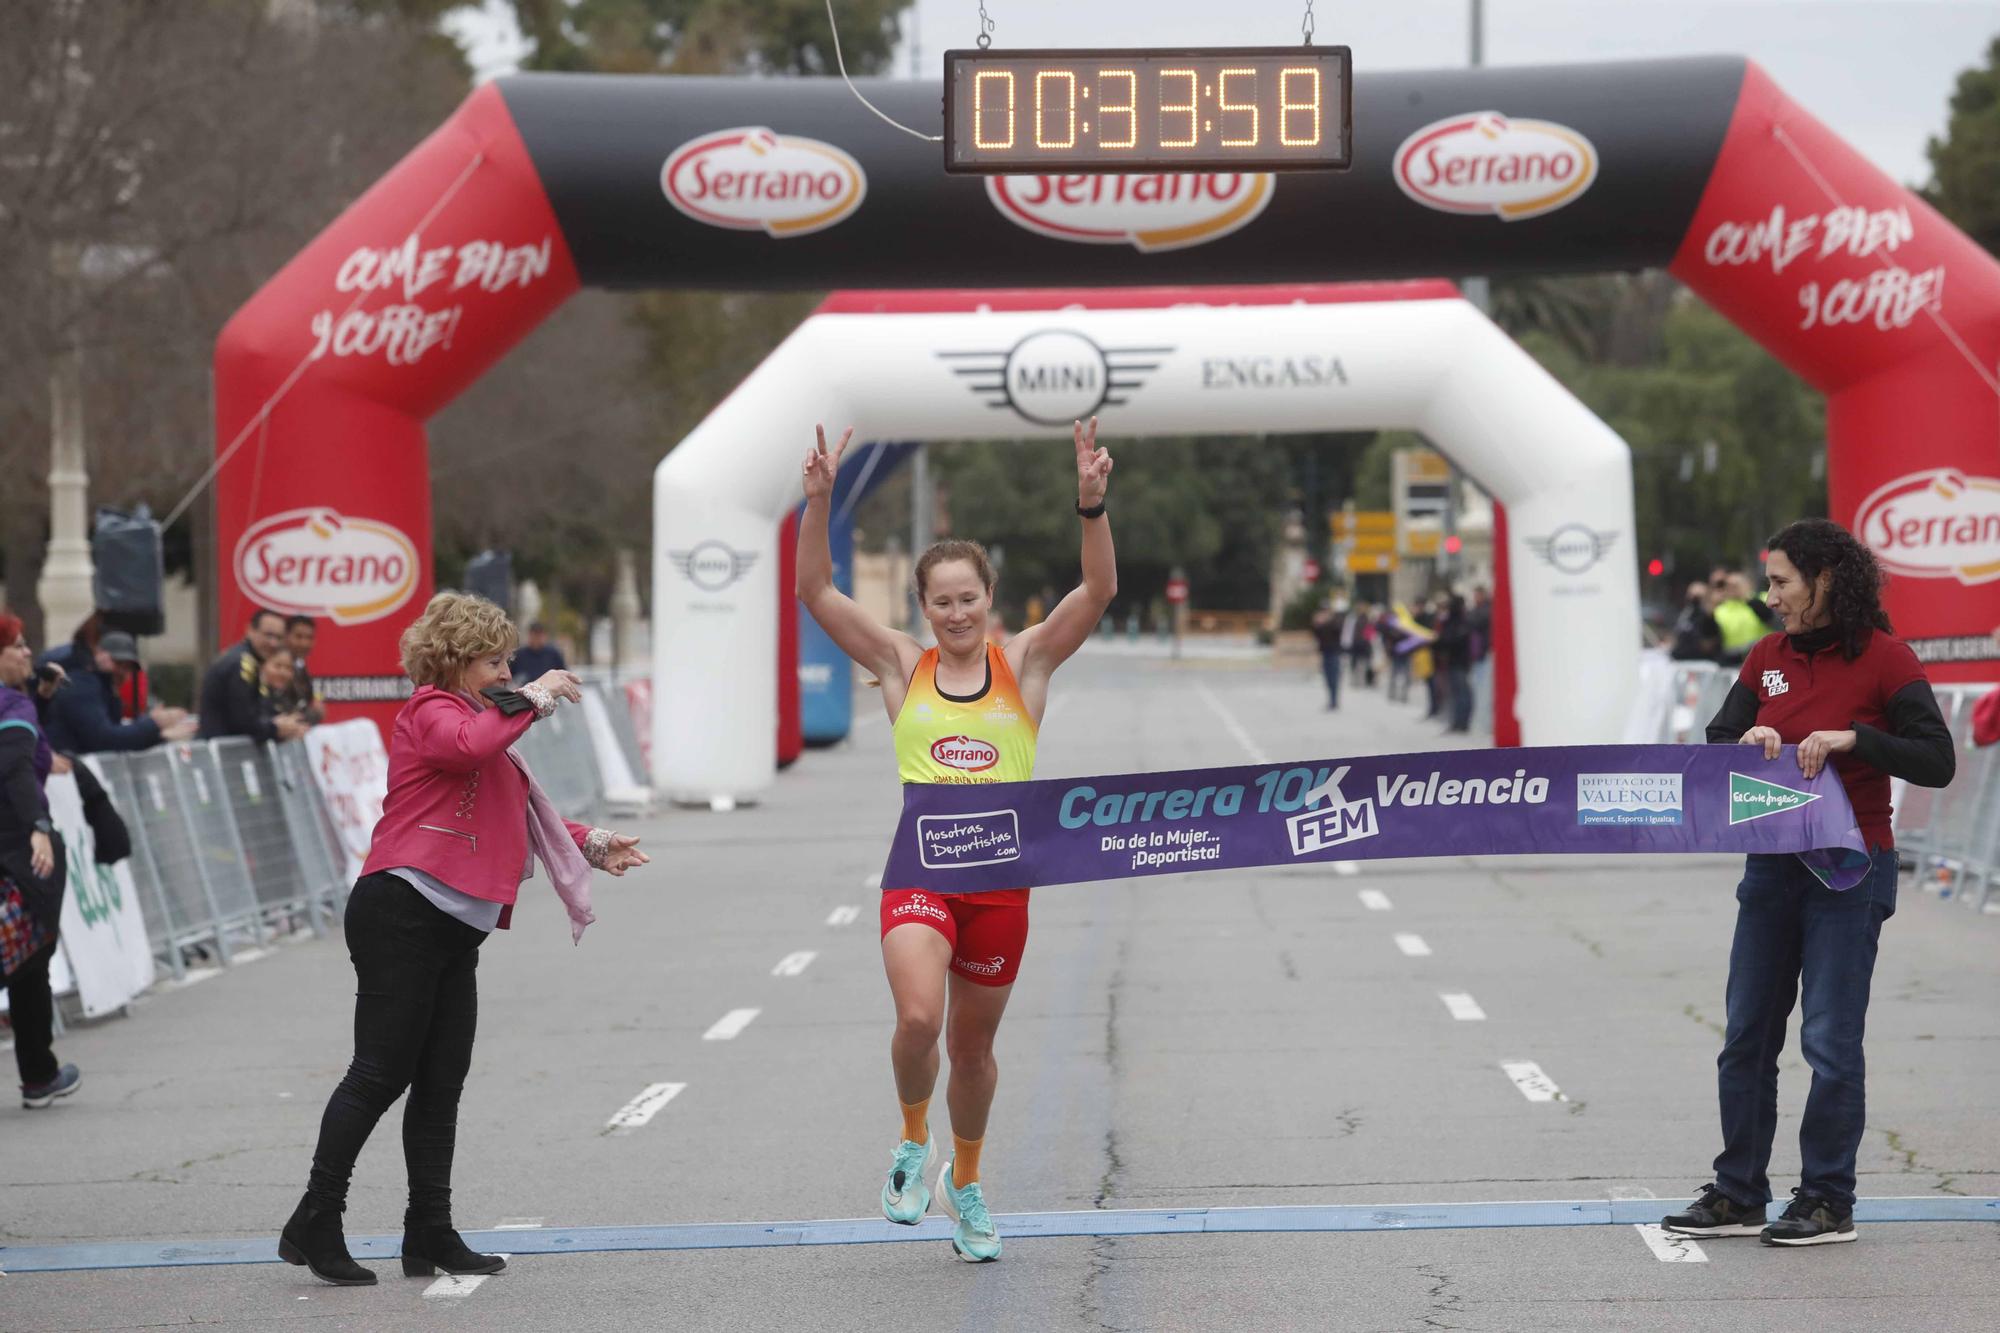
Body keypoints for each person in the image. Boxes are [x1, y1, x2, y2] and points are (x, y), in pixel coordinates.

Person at [797, 418, 1116, 1264]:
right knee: (917, 1018)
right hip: (921, 875)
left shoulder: (1028, 663)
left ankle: (965, 1183)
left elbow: (1098, 593)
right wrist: (819, 503)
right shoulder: (904, 665)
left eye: (968, 598)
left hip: (1003, 891)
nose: (957, 612)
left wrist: (1091, 506)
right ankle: (911, 1139)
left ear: (989, 598)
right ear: (923, 608)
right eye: (941, 601)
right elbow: (818, 595)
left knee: (974, 1051)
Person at [280, 593, 650, 1287]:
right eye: (494, 660)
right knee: (379, 1072)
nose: (508, 672)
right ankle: (316, 1217)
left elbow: (519, 815)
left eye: (510, 661)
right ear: (454, 661)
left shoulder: (486, 719)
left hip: (451, 924)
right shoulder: (431, 711)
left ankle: (429, 1230)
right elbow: (465, 749)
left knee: (442, 1080)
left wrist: (594, 843)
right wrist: (536, 696)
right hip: (401, 908)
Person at [1662, 519, 1955, 1247]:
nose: (1770, 597)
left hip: (1849, 872)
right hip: (1772, 866)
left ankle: (1827, 1198)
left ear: (1825, 579)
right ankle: (1739, 1192)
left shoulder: (1886, 659)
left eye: (1782, 582)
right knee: (1746, 1034)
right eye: (1768, 582)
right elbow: (1719, 741)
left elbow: (1937, 758)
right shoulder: (1766, 656)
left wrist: (1858, 737)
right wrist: (1750, 741)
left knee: (1828, 1038)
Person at [0, 614, 81, 1109]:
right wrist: (39, 828)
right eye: (19, 646)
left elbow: (24, 755)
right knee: (29, 962)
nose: (29, 654)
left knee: (28, 962)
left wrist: (41, 703)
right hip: (15, 856)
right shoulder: (11, 706)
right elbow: (15, 770)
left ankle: (40, 1074)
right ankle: (38, 1074)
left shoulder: (20, 705)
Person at [39, 629, 192, 754]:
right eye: (118, 662)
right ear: (99, 654)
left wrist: (157, 733)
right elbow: (105, 739)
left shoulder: (104, 689)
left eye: (127, 667)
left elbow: (115, 737)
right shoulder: (82, 686)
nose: (122, 672)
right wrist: (153, 725)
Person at [200, 609, 307, 743]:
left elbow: (255, 714)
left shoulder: (249, 661)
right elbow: (243, 722)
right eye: (268, 635)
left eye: (278, 638)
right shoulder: (243, 663)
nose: (273, 643)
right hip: (224, 756)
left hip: (228, 754)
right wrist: (276, 728)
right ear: (250, 630)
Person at [280, 616, 327, 724]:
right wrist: (316, 714)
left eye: (309, 638)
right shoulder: (278, 668)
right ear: (285, 636)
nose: (304, 643)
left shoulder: (300, 665)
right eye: (298, 637)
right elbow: (288, 714)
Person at [1670, 580, 1723, 661]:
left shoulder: (1710, 618)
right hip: (1680, 662)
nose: (1694, 600)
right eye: (1691, 595)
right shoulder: (1686, 614)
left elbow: (1708, 645)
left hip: (1701, 664)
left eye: (1698, 597)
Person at [1310, 598, 1346, 709]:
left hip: (1334, 652)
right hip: (1325, 652)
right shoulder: (1320, 622)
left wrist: (1327, 621)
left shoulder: (1336, 619)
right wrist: (1316, 624)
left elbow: (1338, 630)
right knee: (1327, 677)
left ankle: (1334, 701)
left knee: (1334, 677)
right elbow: (1316, 635)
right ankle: (1331, 700)